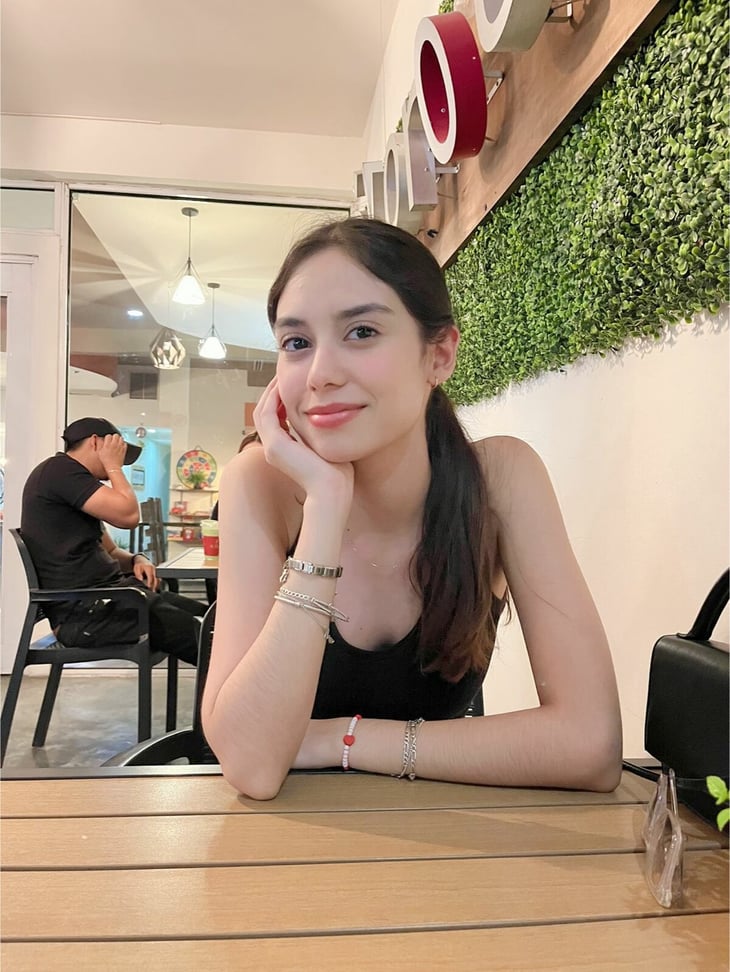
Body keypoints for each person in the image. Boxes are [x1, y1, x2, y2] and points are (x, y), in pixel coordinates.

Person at [203, 218, 622, 799]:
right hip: (282, 841)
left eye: (362, 331)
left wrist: (339, 741)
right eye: (297, 343)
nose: (320, 375)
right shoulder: (260, 484)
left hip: (441, 831)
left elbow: (590, 745)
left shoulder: (499, 481)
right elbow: (251, 766)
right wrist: (325, 506)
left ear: (439, 355)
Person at [21, 417, 207, 665]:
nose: (115, 469)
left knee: (207, 617)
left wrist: (136, 559)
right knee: (201, 636)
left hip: (109, 600)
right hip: (85, 614)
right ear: (96, 443)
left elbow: (109, 550)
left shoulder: (75, 484)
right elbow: (128, 516)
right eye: (116, 452)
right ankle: (229, 687)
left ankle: (223, 684)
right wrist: (113, 466)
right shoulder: (59, 470)